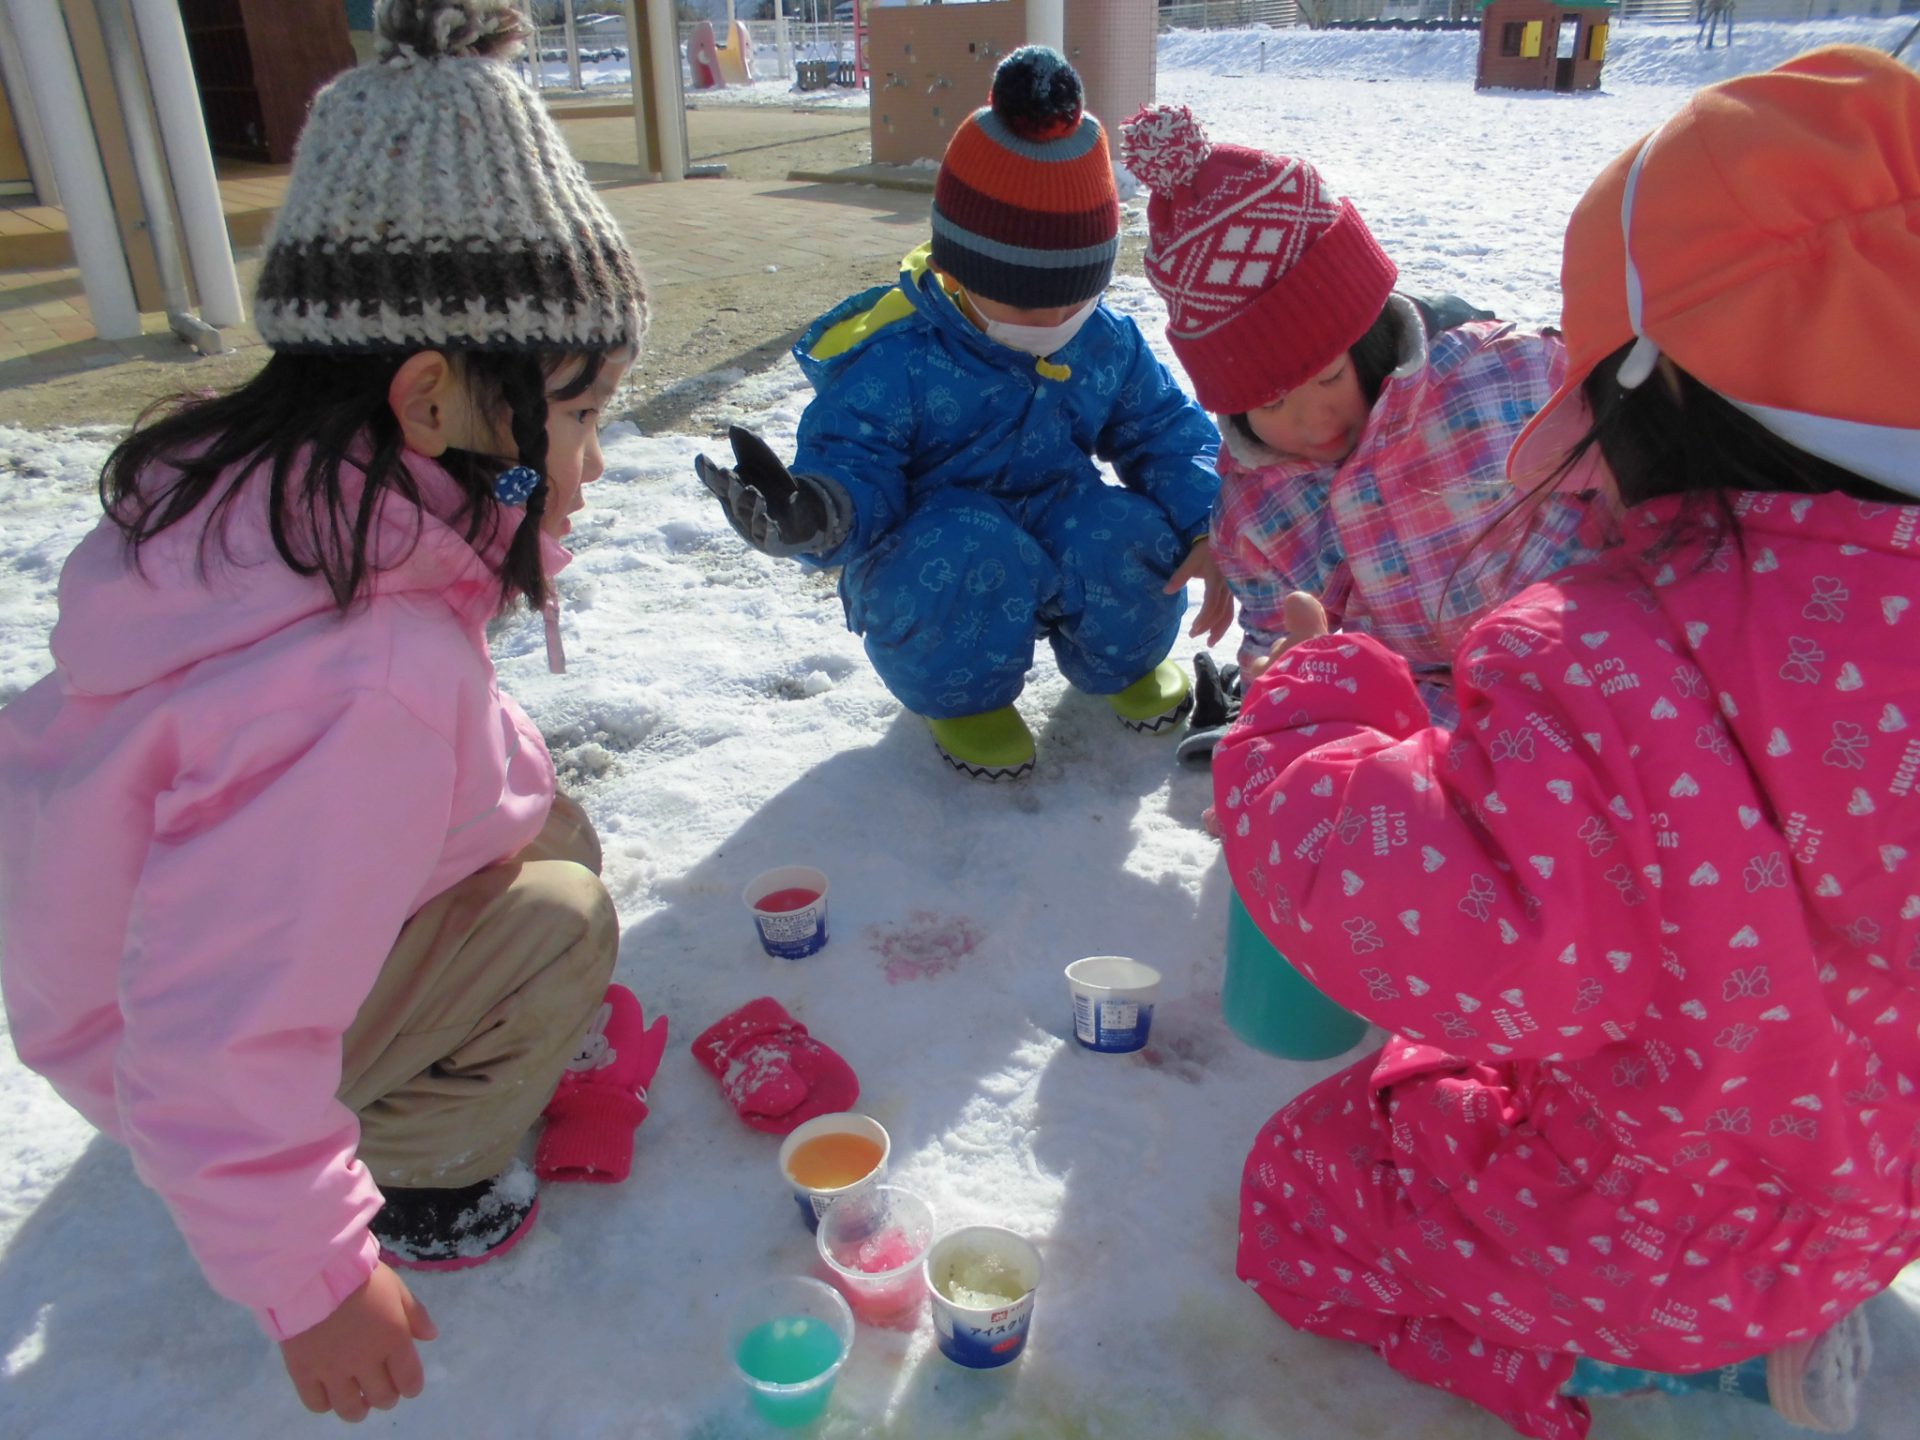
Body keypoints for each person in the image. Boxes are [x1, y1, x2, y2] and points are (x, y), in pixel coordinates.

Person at [1212, 45, 1919, 1439]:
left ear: (1660, 387)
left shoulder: (1604, 656)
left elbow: (1448, 927)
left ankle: (1646, 1365)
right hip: (1871, 1197)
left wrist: (1312, 705)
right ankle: (1783, 1300)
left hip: (1658, 1233)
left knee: (1300, 1191)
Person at [0, 1, 658, 1424]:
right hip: (168, 1046)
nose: (595, 461)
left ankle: (378, 1079)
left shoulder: (276, 509)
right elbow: (216, 1035)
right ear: (430, 402)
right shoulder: (367, 683)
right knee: (560, 923)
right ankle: (420, 1171)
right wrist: (311, 1279)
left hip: (129, 972)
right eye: (578, 413)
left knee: (544, 821)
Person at [696, 46, 1228, 782]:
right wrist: (813, 512)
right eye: (1026, 302)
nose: (1055, 321)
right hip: (937, 541)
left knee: (1126, 531)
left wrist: (1210, 519)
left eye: (1074, 297)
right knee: (967, 551)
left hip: (1057, 513)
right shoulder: (900, 356)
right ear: (958, 269)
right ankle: (964, 699)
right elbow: (856, 459)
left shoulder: (1104, 339)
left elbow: (1164, 429)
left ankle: (1127, 660)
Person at [1117, 104, 1616, 739]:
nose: (1313, 420)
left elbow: (1635, 465)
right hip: (1419, 723)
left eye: (1329, 377)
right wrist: (1290, 681)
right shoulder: (1257, 516)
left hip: (1582, 663)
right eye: (1271, 404)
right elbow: (1280, 643)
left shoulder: (1501, 376)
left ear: (1370, 337)